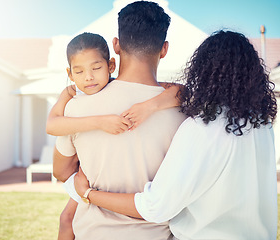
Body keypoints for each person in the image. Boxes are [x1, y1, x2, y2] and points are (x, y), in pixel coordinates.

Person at [74, 30, 278, 240]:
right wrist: (153, 104)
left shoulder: (201, 128)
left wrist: (88, 194)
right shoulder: (262, 125)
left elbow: (155, 207)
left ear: (204, 71)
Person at [52, 1, 187, 239]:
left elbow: (61, 172)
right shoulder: (185, 111)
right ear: (164, 49)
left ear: (115, 45)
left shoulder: (75, 108)